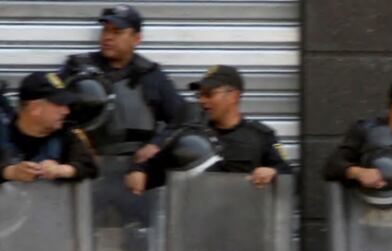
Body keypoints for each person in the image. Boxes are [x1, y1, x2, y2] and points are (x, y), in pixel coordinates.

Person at [125, 65, 291, 193]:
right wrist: (138, 172)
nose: (202, 101)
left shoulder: (260, 135)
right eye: (200, 95)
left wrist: (272, 172)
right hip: (197, 230)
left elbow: (288, 174)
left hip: (244, 228)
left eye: (209, 94)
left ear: (233, 96)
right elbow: (152, 167)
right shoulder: (190, 136)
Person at [59, 4, 184, 161]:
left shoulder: (151, 75)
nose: (107, 37)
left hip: (133, 168)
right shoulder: (76, 68)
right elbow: (50, 111)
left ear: (136, 39)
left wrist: (156, 145)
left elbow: (181, 120)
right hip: (80, 166)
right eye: (105, 30)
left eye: (117, 32)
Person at [0, 72, 98, 184]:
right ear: (35, 108)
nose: (66, 111)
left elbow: (90, 166)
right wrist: (10, 172)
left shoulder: (68, 133)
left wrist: (61, 170)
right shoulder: (4, 131)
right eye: (59, 104)